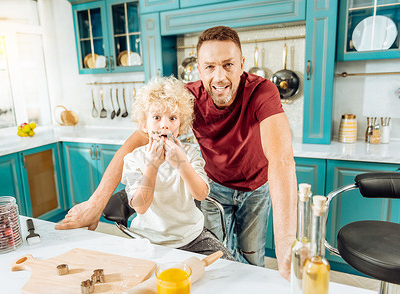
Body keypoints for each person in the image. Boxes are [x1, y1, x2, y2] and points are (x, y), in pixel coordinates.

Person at [55, 26, 296, 280]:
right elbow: (133, 144)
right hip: (213, 186)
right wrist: (95, 204)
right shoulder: (188, 97)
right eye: (210, 67)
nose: (220, 76)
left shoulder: (262, 90)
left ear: (242, 64)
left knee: (251, 257)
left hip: (255, 189)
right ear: (199, 69)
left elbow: (281, 158)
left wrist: (285, 239)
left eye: (228, 65)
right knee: (214, 266)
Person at [119, 76, 234, 259]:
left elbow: (201, 194)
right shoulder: (134, 159)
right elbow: (140, 207)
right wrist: (152, 167)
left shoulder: (190, 153)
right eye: (156, 117)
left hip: (192, 237)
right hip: (149, 239)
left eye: (172, 118)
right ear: (144, 124)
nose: (165, 124)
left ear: (180, 125)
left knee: (230, 267)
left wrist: (182, 165)